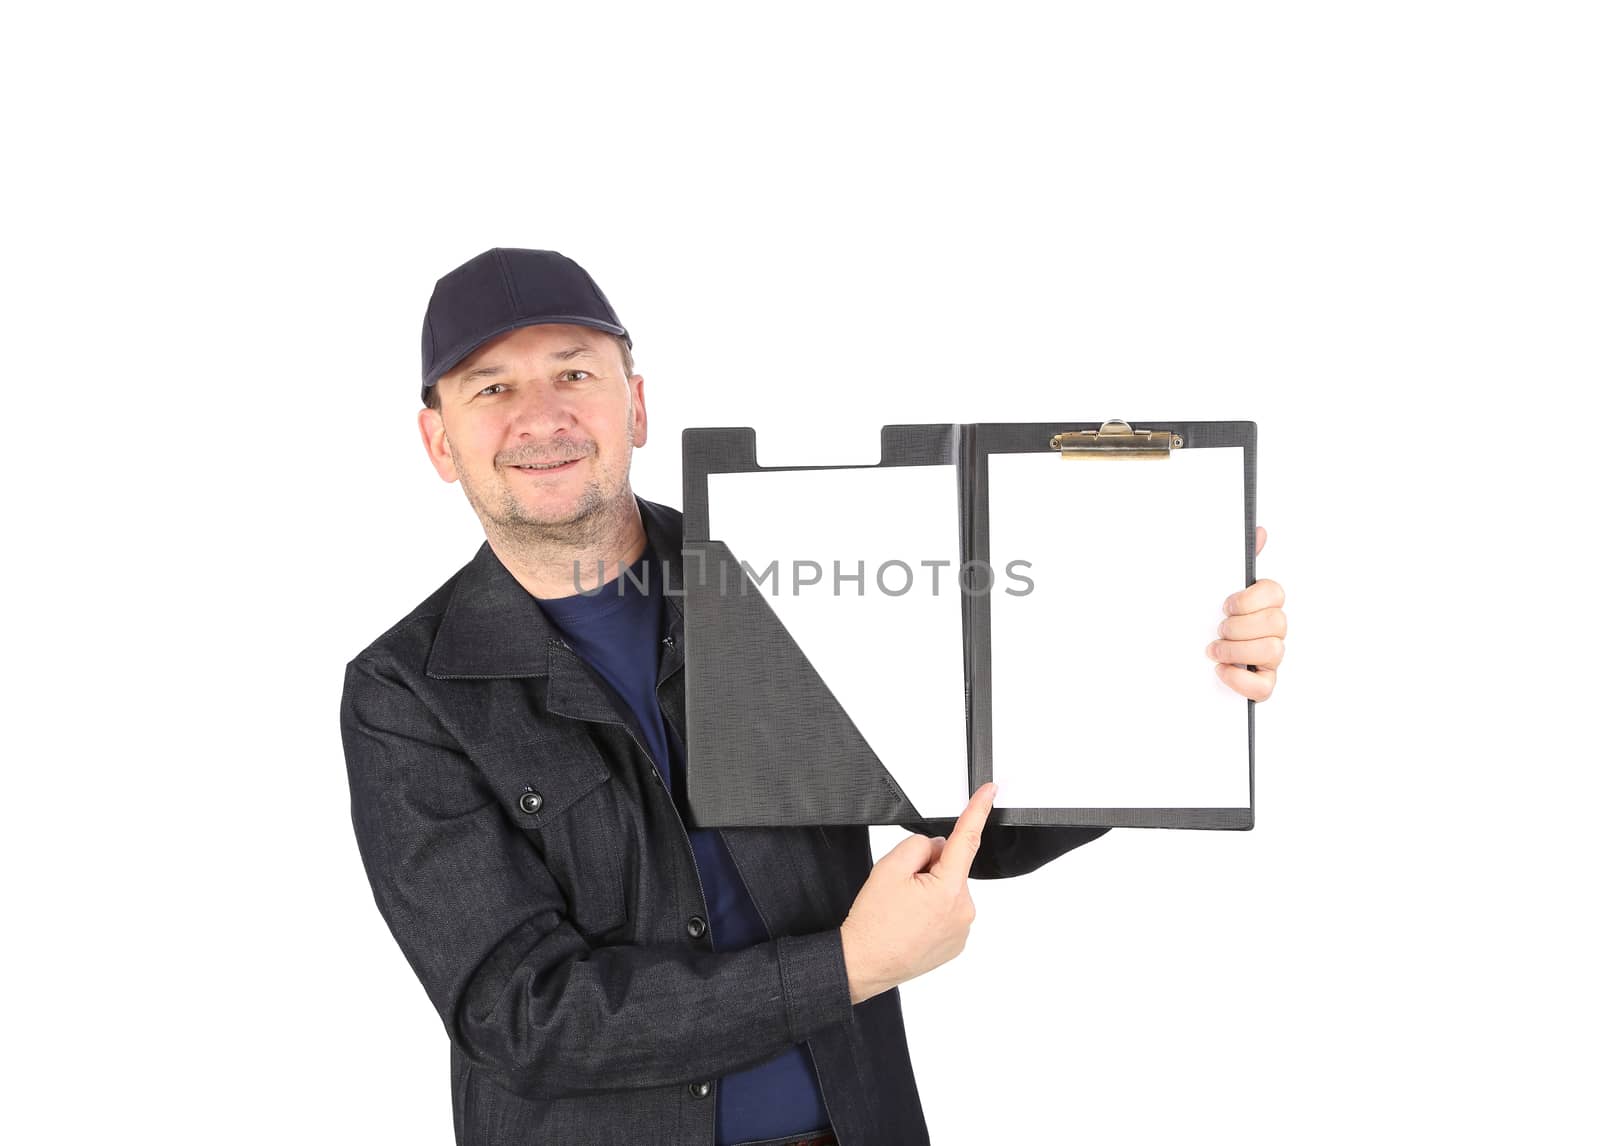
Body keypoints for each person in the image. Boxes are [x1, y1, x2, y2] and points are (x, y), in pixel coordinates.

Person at [339, 248, 1289, 1146]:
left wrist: (1169, 671)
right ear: (438, 441)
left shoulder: (777, 575)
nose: (540, 415)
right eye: (491, 388)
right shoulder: (406, 695)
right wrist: (851, 966)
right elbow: (522, 1015)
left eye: (573, 373)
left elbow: (969, 818)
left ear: (636, 405)